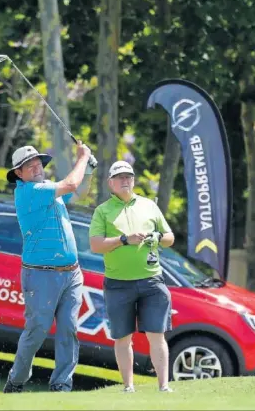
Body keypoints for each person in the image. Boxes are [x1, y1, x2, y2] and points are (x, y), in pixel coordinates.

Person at [2, 142, 92, 393]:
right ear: (18, 174)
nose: (35, 167)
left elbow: (80, 189)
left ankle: (61, 385)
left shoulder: (49, 190)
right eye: (27, 166)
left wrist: (90, 168)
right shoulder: (29, 192)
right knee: (37, 330)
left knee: (69, 329)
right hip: (40, 274)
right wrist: (83, 156)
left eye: (38, 162)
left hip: (72, 273)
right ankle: (16, 381)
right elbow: (72, 184)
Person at [89, 160, 175, 393]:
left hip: (152, 281)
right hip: (118, 284)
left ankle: (164, 387)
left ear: (134, 180)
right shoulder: (103, 211)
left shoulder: (149, 206)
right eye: (120, 178)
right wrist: (124, 239)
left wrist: (156, 237)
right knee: (122, 338)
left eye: (129, 177)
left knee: (157, 335)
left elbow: (169, 237)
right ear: (111, 183)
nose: (125, 181)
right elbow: (96, 245)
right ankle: (128, 387)